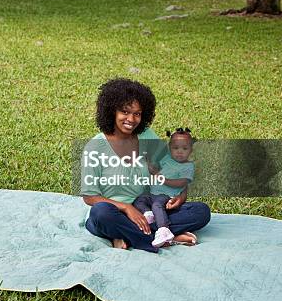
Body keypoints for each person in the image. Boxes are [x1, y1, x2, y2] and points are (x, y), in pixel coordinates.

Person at [80, 78, 210, 253]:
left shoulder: (146, 135)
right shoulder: (95, 147)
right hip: (115, 213)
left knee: (201, 211)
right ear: (111, 111)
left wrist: (182, 195)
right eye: (125, 112)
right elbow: (90, 197)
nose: (131, 119)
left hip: (149, 211)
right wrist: (127, 208)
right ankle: (160, 237)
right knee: (100, 214)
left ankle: (129, 236)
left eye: (137, 113)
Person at [133, 127, 195, 247]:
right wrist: (149, 164)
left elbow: (181, 183)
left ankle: (163, 230)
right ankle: (148, 214)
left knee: (157, 206)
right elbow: (156, 167)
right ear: (169, 148)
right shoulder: (167, 159)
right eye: (175, 148)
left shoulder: (188, 166)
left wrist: (161, 178)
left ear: (191, 150)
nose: (180, 152)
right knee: (139, 200)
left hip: (166, 196)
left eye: (185, 148)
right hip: (152, 193)